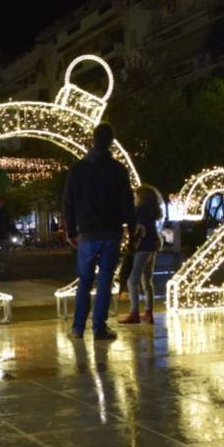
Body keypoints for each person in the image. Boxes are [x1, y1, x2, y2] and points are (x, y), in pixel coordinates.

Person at [63, 123, 135, 340]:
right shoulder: (118, 170)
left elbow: (69, 201)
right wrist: (131, 229)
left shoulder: (78, 169)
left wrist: (72, 230)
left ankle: (77, 328)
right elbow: (127, 202)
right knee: (105, 281)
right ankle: (99, 328)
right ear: (111, 141)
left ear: (93, 140)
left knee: (84, 281)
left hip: (86, 233)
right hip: (111, 232)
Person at [119, 185, 162, 325]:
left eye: (136, 195)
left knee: (133, 280)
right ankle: (149, 313)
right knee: (147, 280)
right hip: (153, 246)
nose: (134, 197)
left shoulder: (139, 210)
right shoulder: (153, 211)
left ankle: (134, 313)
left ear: (141, 197)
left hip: (142, 247)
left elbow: (137, 227)